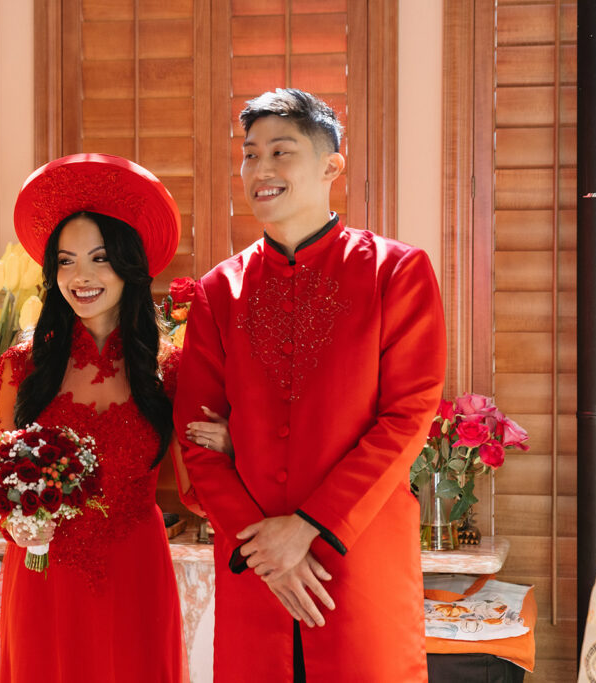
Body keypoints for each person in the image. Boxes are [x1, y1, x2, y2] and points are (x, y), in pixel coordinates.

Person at [174, 89, 447, 682]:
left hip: (356, 563)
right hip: (255, 572)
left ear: (331, 166)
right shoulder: (219, 291)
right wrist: (265, 553)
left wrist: (306, 528)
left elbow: (407, 417)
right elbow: (195, 439)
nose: (260, 169)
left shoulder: (396, 273)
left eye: (281, 151)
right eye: (249, 155)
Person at [0, 153, 188, 683]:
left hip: (136, 573)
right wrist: (25, 523)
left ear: (129, 265)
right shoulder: (21, 368)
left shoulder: (168, 371)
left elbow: (196, 490)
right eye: (66, 261)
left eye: (100, 258)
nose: (82, 277)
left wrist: (228, 442)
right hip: (42, 574)